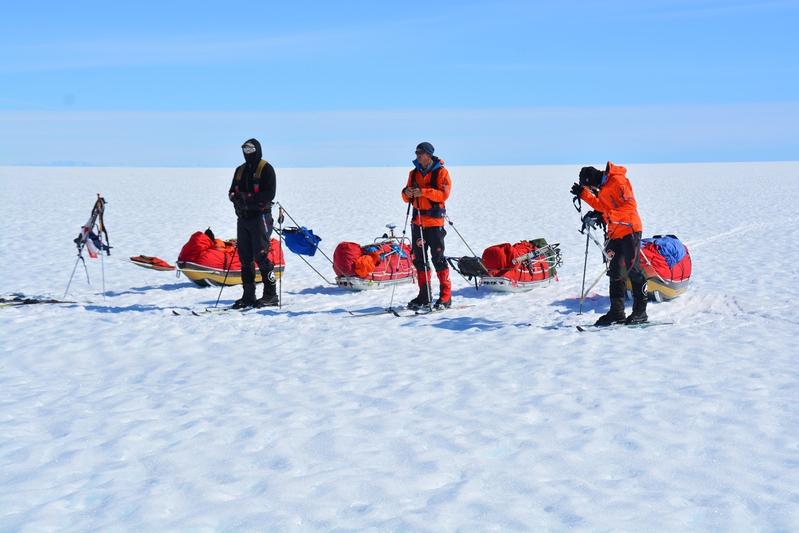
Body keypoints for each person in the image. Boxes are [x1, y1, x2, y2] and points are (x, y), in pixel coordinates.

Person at [570, 162, 648, 325]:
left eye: (589, 188)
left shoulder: (618, 181)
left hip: (630, 229)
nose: (591, 191)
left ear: (592, 181)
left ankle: (640, 312)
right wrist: (584, 195)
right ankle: (616, 313)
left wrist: (610, 216)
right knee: (615, 273)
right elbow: (602, 206)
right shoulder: (604, 188)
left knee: (634, 271)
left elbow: (630, 205)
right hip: (615, 232)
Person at [401, 142, 452, 310]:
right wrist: (407, 193)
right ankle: (425, 295)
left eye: (421, 152)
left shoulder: (441, 172)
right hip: (417, 223)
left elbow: (444, 194)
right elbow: (405, 196)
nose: (418, 155)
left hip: (435, 223)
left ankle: (446, 296)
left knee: (438, 259)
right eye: (417, 152)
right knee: (419, 260)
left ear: (429, 154)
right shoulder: (413, 173)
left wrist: (423, 191)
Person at [228, 138, 278, 308]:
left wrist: (248, 198)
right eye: (245, 150)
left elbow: (269, 194)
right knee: (245, 258)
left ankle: (271, 295)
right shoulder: (239, 170)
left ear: (257, 150)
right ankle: (248, 295)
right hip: (243, 218)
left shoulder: (266, 169)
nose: (247, 153)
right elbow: (231, 192)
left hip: (260, 218)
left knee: (262, 255)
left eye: (250, 149)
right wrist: (237, 200)